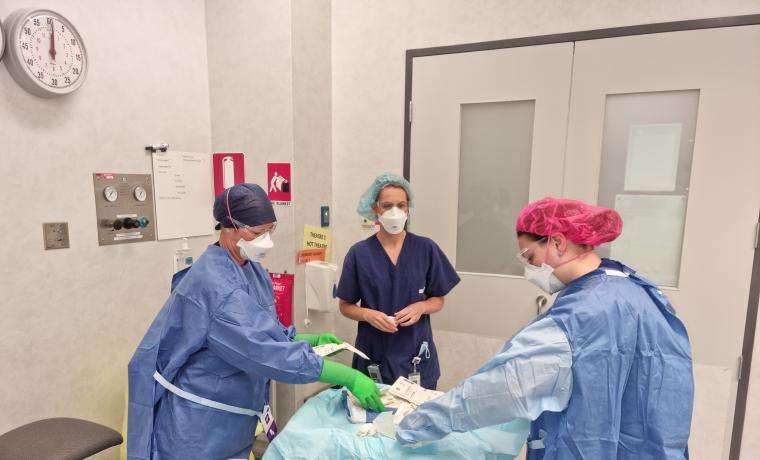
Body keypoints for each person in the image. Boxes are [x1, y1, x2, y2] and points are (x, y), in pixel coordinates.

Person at [396, 197, 694, 459]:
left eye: (530, 257)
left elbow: (500, 388)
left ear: (558, 243)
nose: (530, 269)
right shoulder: (635, 288)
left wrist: (418, 423)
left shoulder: (579, 315)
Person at [127, 183, 383, 460]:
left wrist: (303, 339)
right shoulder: (216, 286)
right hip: (199, 426)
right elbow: (263, 351)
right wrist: (347, 375)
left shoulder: (251, 269)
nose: (266, 240)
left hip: (232, 418)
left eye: (270, 230)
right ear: (228, 227)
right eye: (258, 233)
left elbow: (261, 330)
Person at [336, 173, 460, 390]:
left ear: (408, 209)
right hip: (374, 355)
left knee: (416, 419)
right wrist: (367, 314)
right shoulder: (359, 253)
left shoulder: (426, 248)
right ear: (375, 209)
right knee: (373, 419)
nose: (395, 211)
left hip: (415, 356)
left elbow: (438, 299)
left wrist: (421, 306)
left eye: (401, 205)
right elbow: (345, 306)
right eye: (387, 205)